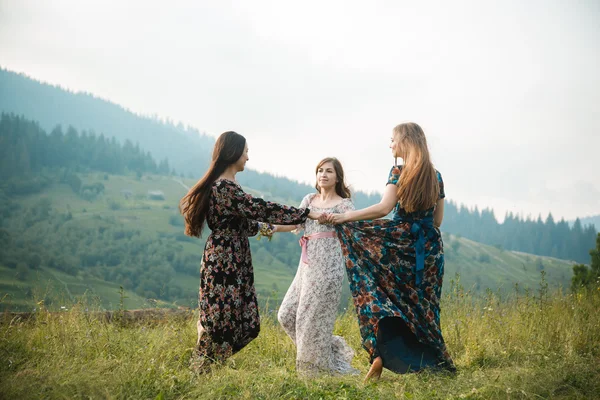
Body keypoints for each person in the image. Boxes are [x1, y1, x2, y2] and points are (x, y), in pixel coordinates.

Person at [323, 122, 455, 381]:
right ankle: (434, 364)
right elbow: (437, 221)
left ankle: (381, 354)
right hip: (429, 252)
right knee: (423, 310)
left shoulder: (398, 171)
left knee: (383, 298)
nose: (390, 144)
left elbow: (384, 209)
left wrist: (346, 218)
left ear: (405, 141)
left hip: (399, 246)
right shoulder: (435, 176)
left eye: (393, 139)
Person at [180, 131, 321, 372]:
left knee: (245, 323)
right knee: (223, 322)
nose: (248, 157)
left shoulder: (229, 187)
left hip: (235, 257)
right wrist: (305, 213)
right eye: (246, 151)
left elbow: (250, 225)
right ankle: (201, 371)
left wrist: (284, 227)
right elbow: (259, 208)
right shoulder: (224, 188)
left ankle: (206, 366)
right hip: (224, 259)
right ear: (233, 152)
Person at [275, 157, 358, 376]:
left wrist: (335, 219)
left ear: (337, 177)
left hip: (328, 268)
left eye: (329, 171)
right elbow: (295, 222)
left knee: (307, 319)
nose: (323, 174)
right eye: (320, 170)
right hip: (306, 267)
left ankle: (311, 373)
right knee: (287, 314)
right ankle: (325, 354)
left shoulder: (344, 204)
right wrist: (270, 228)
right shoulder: (309, 199)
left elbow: (352, 231)